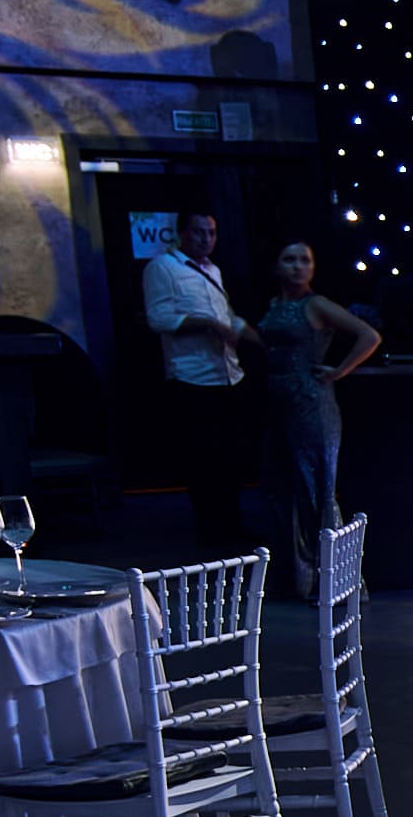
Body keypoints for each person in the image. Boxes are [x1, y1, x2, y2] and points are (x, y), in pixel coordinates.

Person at [249, 241, 382, 596]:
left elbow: (369, 336)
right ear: (276, 266)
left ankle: (337, 583)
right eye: (289, 259)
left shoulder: (317, 304)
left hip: (311, 401)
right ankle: (300, 579)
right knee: (281, 488)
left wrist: (339, 371)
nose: (298, 266)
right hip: (278, 402)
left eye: (304, 260)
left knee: (315, 489)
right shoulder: (275, 305)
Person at [142, 212, 261, 552]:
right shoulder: (163, 267)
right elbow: (159, 318)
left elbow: (227, 317)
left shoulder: (214, 270)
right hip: (192, 377)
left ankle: (232, 527)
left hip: (228, 374)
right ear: (181, 233)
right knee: (204, 461)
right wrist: (208, 324)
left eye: (211, 232)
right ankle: (211, 534)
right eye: (198, 232)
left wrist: (256, 339)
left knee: (231, 459)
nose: (206, 239)